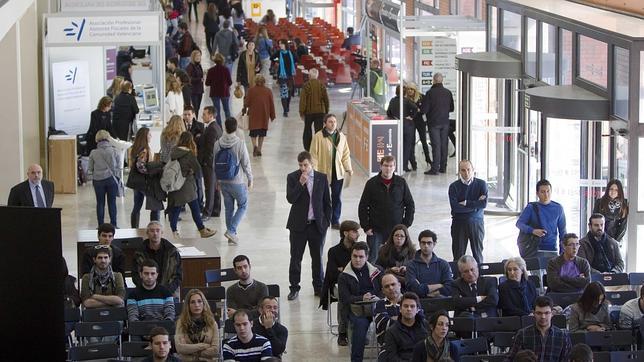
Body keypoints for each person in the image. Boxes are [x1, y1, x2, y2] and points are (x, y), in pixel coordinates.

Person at [286, 151, 332, 300]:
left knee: (317, 258)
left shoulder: (322, 178)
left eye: (305, 165)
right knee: (295, 258)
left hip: (316, 226)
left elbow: (327, 203)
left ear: (312, 164)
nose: (303, 168)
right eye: (300, 165)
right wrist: (300, 183)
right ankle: (294, 287)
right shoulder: (293, 177)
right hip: (298, 226)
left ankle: (319, 287)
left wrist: (325, 223)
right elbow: (291, 199)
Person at [358, 155, 415, 262]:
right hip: (375, 230)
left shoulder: (401, 183)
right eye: (385, 165)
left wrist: (406, 224)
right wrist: (365, 226)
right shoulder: (371, 183)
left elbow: (410, 204)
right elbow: (363, 205)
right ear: (380, 166)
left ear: (394, 167)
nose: (388, 168)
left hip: (396, 229)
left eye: (391, 166)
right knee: (373, 259)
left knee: (397, 258)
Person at [338, 242, 383, 362]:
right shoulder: (344, 276)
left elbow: (384, 290)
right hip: (356, 310)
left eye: (361, 257)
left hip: (376, 306)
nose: (357, 259)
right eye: (355, 256)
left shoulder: (377, 271)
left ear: (367, 257)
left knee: (392, 322)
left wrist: (376, 297)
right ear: (351, 256)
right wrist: (361, 298)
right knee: (360, 325)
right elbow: (344, 298)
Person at [168, 132, 218, 238]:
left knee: (176, 209)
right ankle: (202, 230)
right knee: (195, 208)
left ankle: (174, 232)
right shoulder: (189, 153)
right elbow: (198, 170)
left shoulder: (173, 152)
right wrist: (191, 172)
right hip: (187, 186)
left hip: (175, 185)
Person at [319, 220, 361, 346]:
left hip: (356, 284)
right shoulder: (334, 251)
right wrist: (348, 271)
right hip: (337, 285)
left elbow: (362, 268)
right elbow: (332, 273)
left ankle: (360, 331)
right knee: (344, 297)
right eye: (354, 231)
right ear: (345, 233)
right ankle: (342, 333)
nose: (357, 234)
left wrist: (343, 269)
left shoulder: (359, 249)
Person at [213, 117, 253, 244]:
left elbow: (214, 164)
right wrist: (250, 178)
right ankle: (231, 230)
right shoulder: (240, 143)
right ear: (236, 128)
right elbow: (246, 163)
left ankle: (232, 235)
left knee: (229, 208)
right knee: (243, 205)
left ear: (225, 127)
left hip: (223, 181)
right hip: (237, 181)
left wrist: (217, 181)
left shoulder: (218, 143)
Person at [309, 114, 352, 229]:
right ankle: (323, 218)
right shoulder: (318, 137)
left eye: (334, 122)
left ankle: (335, 220)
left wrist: (348, 168)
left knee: (337, 197)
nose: (333, 124)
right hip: (323, 173)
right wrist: (315, 171)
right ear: (325, 124)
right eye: (330, 122)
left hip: (338, 173)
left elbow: (345, 154)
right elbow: (314, 155)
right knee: (324, 197)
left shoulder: (341, 136)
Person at [448, 160, 488, 263]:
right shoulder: (454, 187)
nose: (466, 173)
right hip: (459, 224)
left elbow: (483, 204)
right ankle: (458, 278)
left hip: (477, 223)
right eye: (463, 170)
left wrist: (465, 203)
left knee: (478, 254)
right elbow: (455, 208)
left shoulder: (481, 184)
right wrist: (475, 206)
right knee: (458, 256)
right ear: (459, 172)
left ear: (473, 170)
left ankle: (480, 278)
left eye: (469, 170)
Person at [507, 296, 571, 361]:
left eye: (546, 313)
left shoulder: (563, 336)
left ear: (552, 313)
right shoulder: (522, 334)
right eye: (539, 313)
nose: (543, 317)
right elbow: (511, 359)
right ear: (534, 313)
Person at [516, 179, 567, 256]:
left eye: (548, 191)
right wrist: (533, 231)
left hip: (551, 248)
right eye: (542, 192)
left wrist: (563, 252)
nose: (546, 195)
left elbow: (562, 231)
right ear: (537, 193)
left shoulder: (558, 208)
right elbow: (519, 224)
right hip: (534, 248)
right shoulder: (531, 207)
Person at [132, 221, 183, 296]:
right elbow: (135, 274)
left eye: (158, 230)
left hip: (168, 290)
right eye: (152, 231)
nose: (155, 233)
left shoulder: (172, 252)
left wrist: (166, 291)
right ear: (147, 233)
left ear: (162, 233)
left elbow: (178, 276)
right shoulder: (139, 253)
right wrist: (147, 288)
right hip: (146, 289)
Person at [378, 292, 427, 362]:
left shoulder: (425, 327)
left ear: (417, 310)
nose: (409, 309)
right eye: (406, 306)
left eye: (412, 306)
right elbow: (392, 357)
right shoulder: (391, 331)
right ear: (400, 309)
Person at [127, 127, 161, 227]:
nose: (151, 136)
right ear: (145, 136)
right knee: (154, 206)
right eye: (149, 135)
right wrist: (150, 172)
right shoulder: (144, 150)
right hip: (145, 182)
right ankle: (154, 228)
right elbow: (140, 165)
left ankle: (134, 228)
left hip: (136, 183)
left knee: (137, 207)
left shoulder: (135, 148)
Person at [421, 72, 454, 175]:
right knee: (444, 145)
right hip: (445, 122)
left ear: (434, 80)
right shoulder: (448, 92)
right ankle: (443, 167)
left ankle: (434, 168)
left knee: (436, 145)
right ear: (442, 80)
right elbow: (452, 108)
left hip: (434, 122)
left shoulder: (430, 93)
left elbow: (424, 109)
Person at [405, 229, 453, 299]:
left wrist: (428, 291)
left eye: (429, 243)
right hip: (418, 304)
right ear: (419, 244)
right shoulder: (411, 265)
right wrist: (440, 285)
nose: (426, 246)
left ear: (434, 244)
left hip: (440, 303)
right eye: (423, 243)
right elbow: (414, 289)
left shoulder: (443, 264)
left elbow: (450, 287)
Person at [88, 130, 122, 227]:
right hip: (111, 179)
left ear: (97, 139)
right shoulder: (114, 151)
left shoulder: (93, 152)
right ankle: (114, 224)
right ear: (108, 138)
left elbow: (90, 168)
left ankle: (100, 225)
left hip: (98, 181)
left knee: (100, 203)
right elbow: (119, 166)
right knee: (112, 202)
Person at [175, 289, 220, 361]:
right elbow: (180, 348)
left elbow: (215, 350)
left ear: (204, 303)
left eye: (199, 301)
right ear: (188, 305)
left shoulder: (212, 323)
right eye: (192, 302)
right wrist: (203, 346)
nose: (197, 305)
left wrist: (190, 350)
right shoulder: (181, 323)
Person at [197, 106, 223, 220]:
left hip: (210, 164)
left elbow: (210, 149)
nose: (202, 116)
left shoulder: (212, 129)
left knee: (210, 188)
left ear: (211, 115)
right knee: (215, 187)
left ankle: (207, 212)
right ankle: (215, 210)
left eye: (204, 114)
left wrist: (207, 163)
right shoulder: (215, 126)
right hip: (214, 163)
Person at [387, 85, 419, 171]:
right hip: (407, 126)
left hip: (397, 126)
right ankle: (404, 166)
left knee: (399, 146)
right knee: (407, 147)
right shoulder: (407, 100)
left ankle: (399, 165)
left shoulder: (392, 101)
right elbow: (416, 108)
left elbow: (388, 113)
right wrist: (411, 116)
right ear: (405, 93)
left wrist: (394, 117)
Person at [244, 74, 275, 157]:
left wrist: (245, 109)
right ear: (264, 81)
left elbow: (247, 103)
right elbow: (271, 104)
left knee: (253, 133)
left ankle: (255, 146)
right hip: (264, 114)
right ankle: (259, 149)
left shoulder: (251, 90)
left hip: (253, 114)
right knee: (262, 133)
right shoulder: (268, 91)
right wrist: (272, 115)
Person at [299, 69, 330, 150]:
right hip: (320, 112)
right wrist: (326, 111)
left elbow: (303, 100)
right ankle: (318, 147)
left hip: (309, 112)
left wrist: (301, 112)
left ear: (309, 76)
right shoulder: (321, 85)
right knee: (319, 131)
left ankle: (307, 147)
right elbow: (326, 99)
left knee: (307, 129)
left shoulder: (306, 86)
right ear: (317, 76)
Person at [374, 273, 403, 346]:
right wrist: (406, 319)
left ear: (399, 285)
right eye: (387, 286)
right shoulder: (380, 304)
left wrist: (393, 319)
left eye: (393, 284)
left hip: (410, 344)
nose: (391, 288)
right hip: (388, 345)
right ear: (383, 290)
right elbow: (383, 324)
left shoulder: (411, 300)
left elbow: (419, 320)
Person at [205, 53, 233, 127]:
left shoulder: (211, 70)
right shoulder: (226, 70)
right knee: (227, 110)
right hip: (224, 92)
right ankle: (229, 126)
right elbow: (230, 82)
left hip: (214, 93)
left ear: (215, 61)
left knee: (217, 111)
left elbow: (207, 83)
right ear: (223, 61)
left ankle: (219, 127)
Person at [407, 83, 431, 168]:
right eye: (408, 89)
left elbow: (424, 110)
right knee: (411, 142)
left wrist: (418, 111)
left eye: (411, 89)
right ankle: (413, 163)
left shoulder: (422, 97)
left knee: (423, 141)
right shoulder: (406, 98)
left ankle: (428, 159)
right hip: (411, 122)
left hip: (420, 121)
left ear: (415, 90)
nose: (410, 91)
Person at [275, 39, 296, 117]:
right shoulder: (278, 53)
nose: (280, 45)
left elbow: (297, 59)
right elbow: (272, 58)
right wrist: (277, 61)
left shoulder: (291, 53)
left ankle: (287, 106)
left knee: (289, 93)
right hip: (282, 76)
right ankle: (285, 110)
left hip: (290, 76)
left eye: (281, 44)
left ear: (285, 44)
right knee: (284, 93)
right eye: (279, 44)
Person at [186, 49, 205, 117]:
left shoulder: (199, 65)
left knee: (198, 108)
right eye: (197, 56)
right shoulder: (190, 67)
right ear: (193, 57)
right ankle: (195, 121)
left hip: (199, 90)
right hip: (193, 90)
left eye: (199, 56)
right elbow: (188, 79)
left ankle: (195, 119)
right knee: (195, 107)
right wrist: (199, 79)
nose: (198, 57)